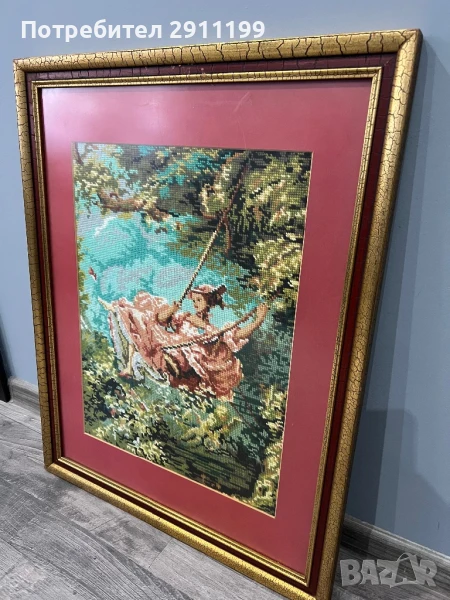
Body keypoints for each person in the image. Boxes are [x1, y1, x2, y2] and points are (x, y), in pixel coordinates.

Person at [99, 284, 268, 402]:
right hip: (172, 343)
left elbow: (237, 335)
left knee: (158, 344)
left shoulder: (212, 329)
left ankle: (157, 364)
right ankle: (121, 319)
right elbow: (160, 319)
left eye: (199, 300)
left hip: (189, 357)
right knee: (144, 328)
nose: (195, 304)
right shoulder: (185, 317)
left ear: (208, 302)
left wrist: (258, 321)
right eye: (194, 301)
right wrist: (172, 309)